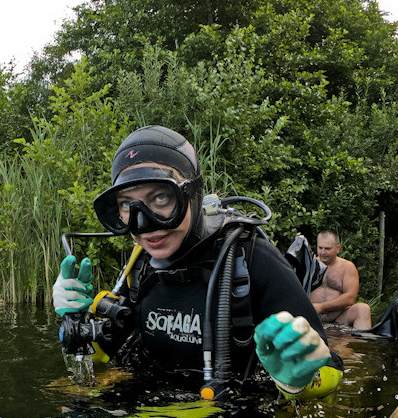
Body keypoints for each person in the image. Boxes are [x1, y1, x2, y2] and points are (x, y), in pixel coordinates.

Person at [53, 125, 343, 401]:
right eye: (128, 204)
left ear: (192, 194)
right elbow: (102, 352)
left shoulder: (249, 258)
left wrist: (298, 381)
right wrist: (76, 322)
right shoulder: (142, 265)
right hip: (152, 407)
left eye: (161, 197)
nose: (144, 224)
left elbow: (330, 369)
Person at [310, 230, 372, 329]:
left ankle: (362, 342)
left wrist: (321, 307)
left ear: (338, 249)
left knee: (363, 309)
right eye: (320, 248)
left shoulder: (347, 267)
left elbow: (350, 298)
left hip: (339, 318)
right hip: (312, 317)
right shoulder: (309, 265)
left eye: (327, 249)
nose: (323, 252)